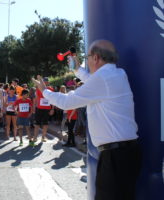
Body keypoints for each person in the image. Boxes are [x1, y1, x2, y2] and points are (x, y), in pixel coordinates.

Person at [33, 39, 141, 200]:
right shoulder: (117, 74)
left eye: (88, 56)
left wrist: (44, 91)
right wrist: (77, 69)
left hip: (115, 157)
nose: (87, 59)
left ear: (96, 58)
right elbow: (93, 81)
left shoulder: (103, 78)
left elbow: (66, 102)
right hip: (123, 153)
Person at [33, 77, 54, 143]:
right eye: (44, 81)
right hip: (39, 108)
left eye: (46, 81)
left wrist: (52, 109)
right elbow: (36, 98)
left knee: (45, 124)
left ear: (48, 82)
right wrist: (34, 107)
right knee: (37, 123)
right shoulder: (38, 88)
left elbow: (52, 99)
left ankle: (43, 137)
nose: (45, 82)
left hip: (47, 109)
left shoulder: (51, 89)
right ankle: (35, 137)